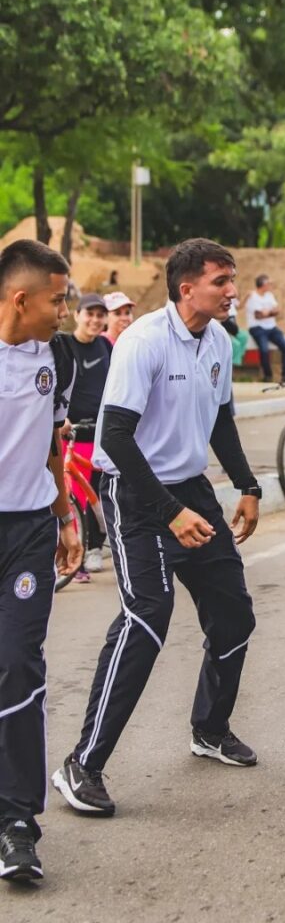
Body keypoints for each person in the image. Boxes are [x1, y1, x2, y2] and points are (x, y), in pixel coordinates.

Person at [52, 238, 262, 818]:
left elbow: (220, 420)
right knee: (148, 614)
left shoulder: (217, 339)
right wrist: (170, 512)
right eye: (221, 280)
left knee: (235, 616)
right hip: (136, 494)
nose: (231, 290)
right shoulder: (144, 340)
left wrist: (248, 486)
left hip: (191, 490)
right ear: (185, 286)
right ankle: (82, 764)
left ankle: (209, 728)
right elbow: (114, 438)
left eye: (232, 279)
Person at [0, 240, 82, 883]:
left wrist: (64, 513)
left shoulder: (50, 356)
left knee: (20, 662)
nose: (65, 310)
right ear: (19, 299)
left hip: (28, 531)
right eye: (57, 300)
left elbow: (54, 444)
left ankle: (18, 822)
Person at [62, 293, 112, 579]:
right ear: (77, 314)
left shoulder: (106, 345)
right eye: (89, 314)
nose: (95, 320)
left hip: (103, 435)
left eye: (100, 315)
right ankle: (74, 555)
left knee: (99, 496)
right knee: (76, 498)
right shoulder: (64, 345)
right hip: (73, 436)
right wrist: (61, 418)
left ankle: (95, 548)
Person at [246, 275, 285, 382]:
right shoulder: (252, 296)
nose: (271, 285)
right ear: (263, 285)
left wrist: (267, 312)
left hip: (271, 327)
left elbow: (277, 311)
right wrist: (270, 312)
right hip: (257, 328)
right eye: (269, 283)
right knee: (264, 350)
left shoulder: (269, 295)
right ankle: (268, 376)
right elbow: (258, 315)